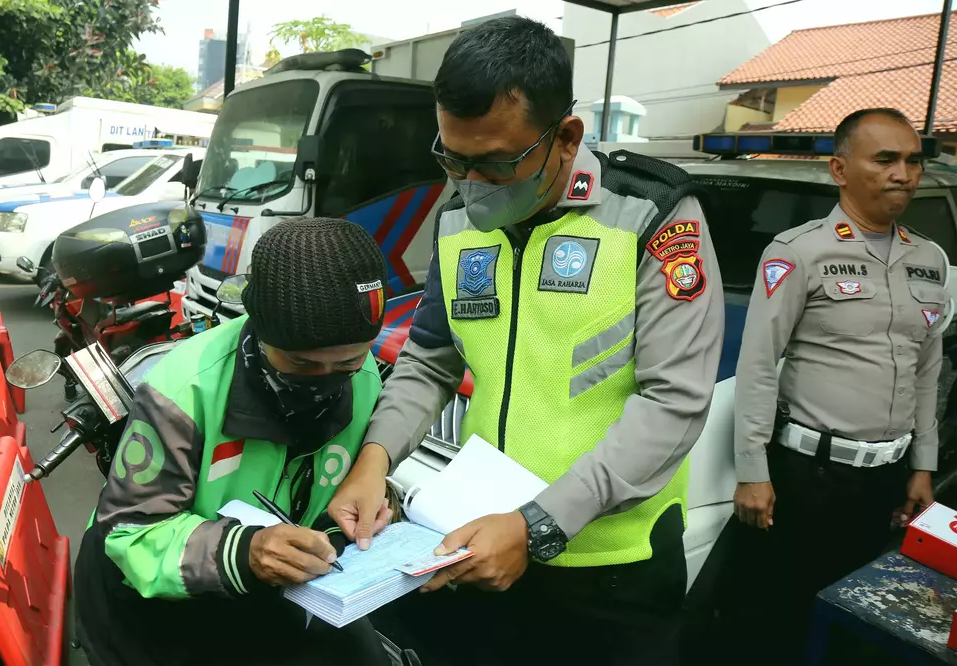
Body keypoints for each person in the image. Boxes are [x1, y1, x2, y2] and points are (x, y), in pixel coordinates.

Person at [328, 16, 725, 666]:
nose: (469, 184)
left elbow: (674, 402)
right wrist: (374, 460)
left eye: (494, 164)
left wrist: (537, 524)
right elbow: (430, 359)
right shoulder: (458, 222)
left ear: (565, 137)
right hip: (478, 541)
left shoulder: (652, 217)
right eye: (451, 158)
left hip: (612, 569)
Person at [74, 218, 395, 666]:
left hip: (272, 592)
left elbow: (341, 473)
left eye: (346, 363)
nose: (326, 381)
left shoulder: (365, 378)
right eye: (301, 363)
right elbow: (129, 534)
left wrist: (373, 499)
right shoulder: (184, 389)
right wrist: (246, 550)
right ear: (259, 330)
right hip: (151, 606)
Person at [725, 107, 948, 662]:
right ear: (840, 170)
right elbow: (757, 363)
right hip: (808, 478)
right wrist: (753, 471)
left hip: (885, 478)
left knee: (852, 614)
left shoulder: (932, 260)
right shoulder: (799, 252)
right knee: (777, 611)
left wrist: (923, 465)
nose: (903, 173)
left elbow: (928, 370)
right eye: (885, 159)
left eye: (913, 161)